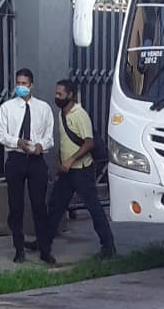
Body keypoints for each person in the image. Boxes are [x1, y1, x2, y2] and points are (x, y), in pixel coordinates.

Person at [40, 79, 116, 261]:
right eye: (56, 93)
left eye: (60, 94)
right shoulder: (62, 113)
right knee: (55, 207)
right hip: (67, 171)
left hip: (82, 170)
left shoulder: (79, 114)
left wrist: (71, 160)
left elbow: (88, 142)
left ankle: (108, 246)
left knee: (94, 208)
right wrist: (60, 161)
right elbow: (65, 140)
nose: (56, 97)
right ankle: (44, 245)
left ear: (70, 95)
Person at [0, 68, 55, 263]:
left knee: (39, 205)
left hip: (36, 160)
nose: (20, 87)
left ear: (31, 85)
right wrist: (16, 142)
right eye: (18, 83)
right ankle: (18, 248)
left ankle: (45, 249)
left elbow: (49, 136)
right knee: (16, 206)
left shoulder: (43, 108)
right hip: (16, 158)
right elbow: (1, 134)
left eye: (24, 84)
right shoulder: (7, 108)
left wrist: (41, 146)